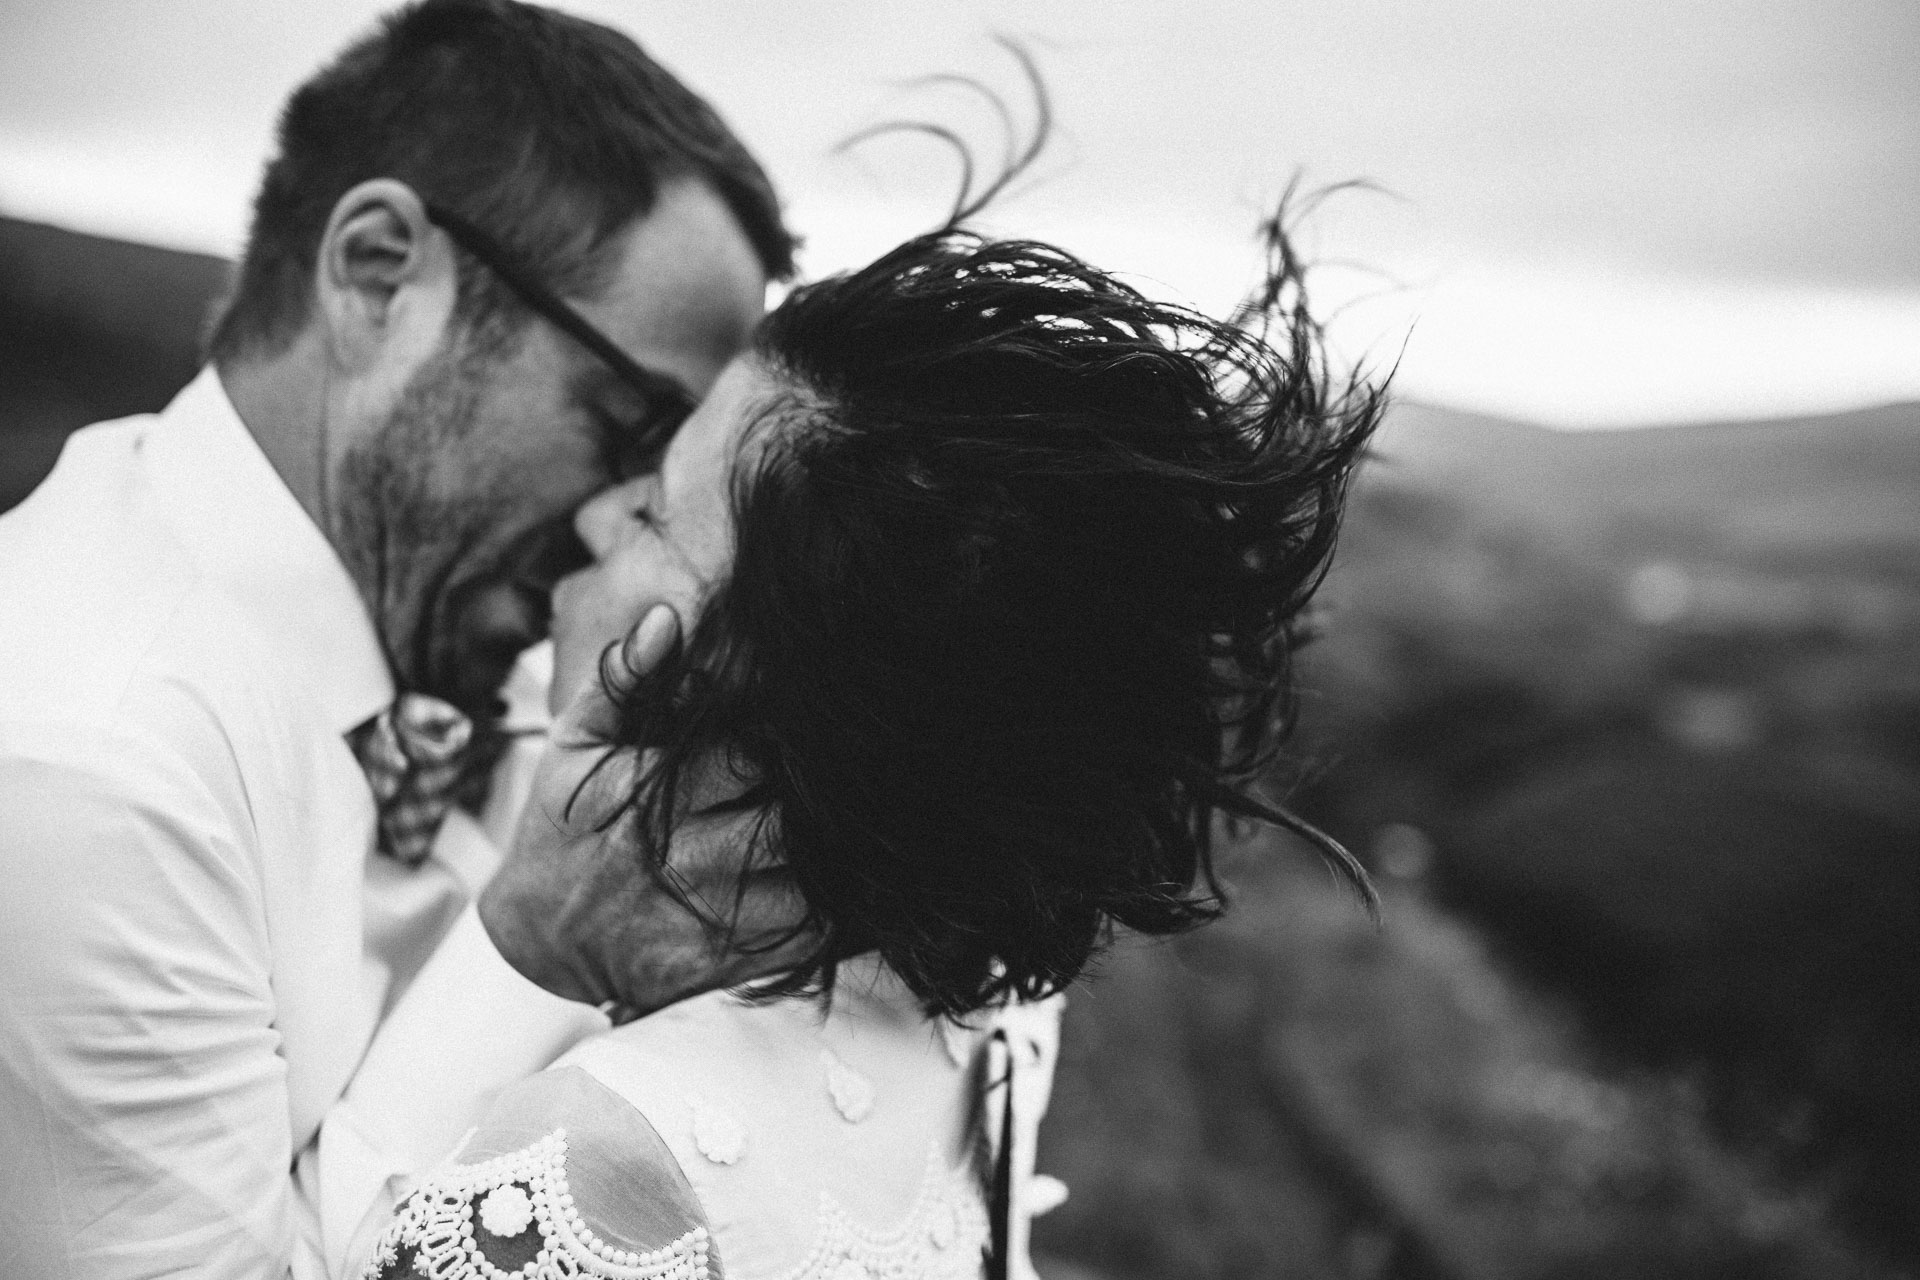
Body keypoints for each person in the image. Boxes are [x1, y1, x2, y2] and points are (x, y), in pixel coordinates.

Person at [357, 210, 1384, 1279]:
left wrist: (516, 944)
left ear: (758, 700)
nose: (597, 516)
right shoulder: (985, 1009)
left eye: (658, 511)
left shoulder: (596, 1175)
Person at [0, 3, 807, 1276]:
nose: (619, 518)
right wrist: (528, 947)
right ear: (377, 271)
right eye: (624, 417)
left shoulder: (485, 644)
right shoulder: (87, 762)